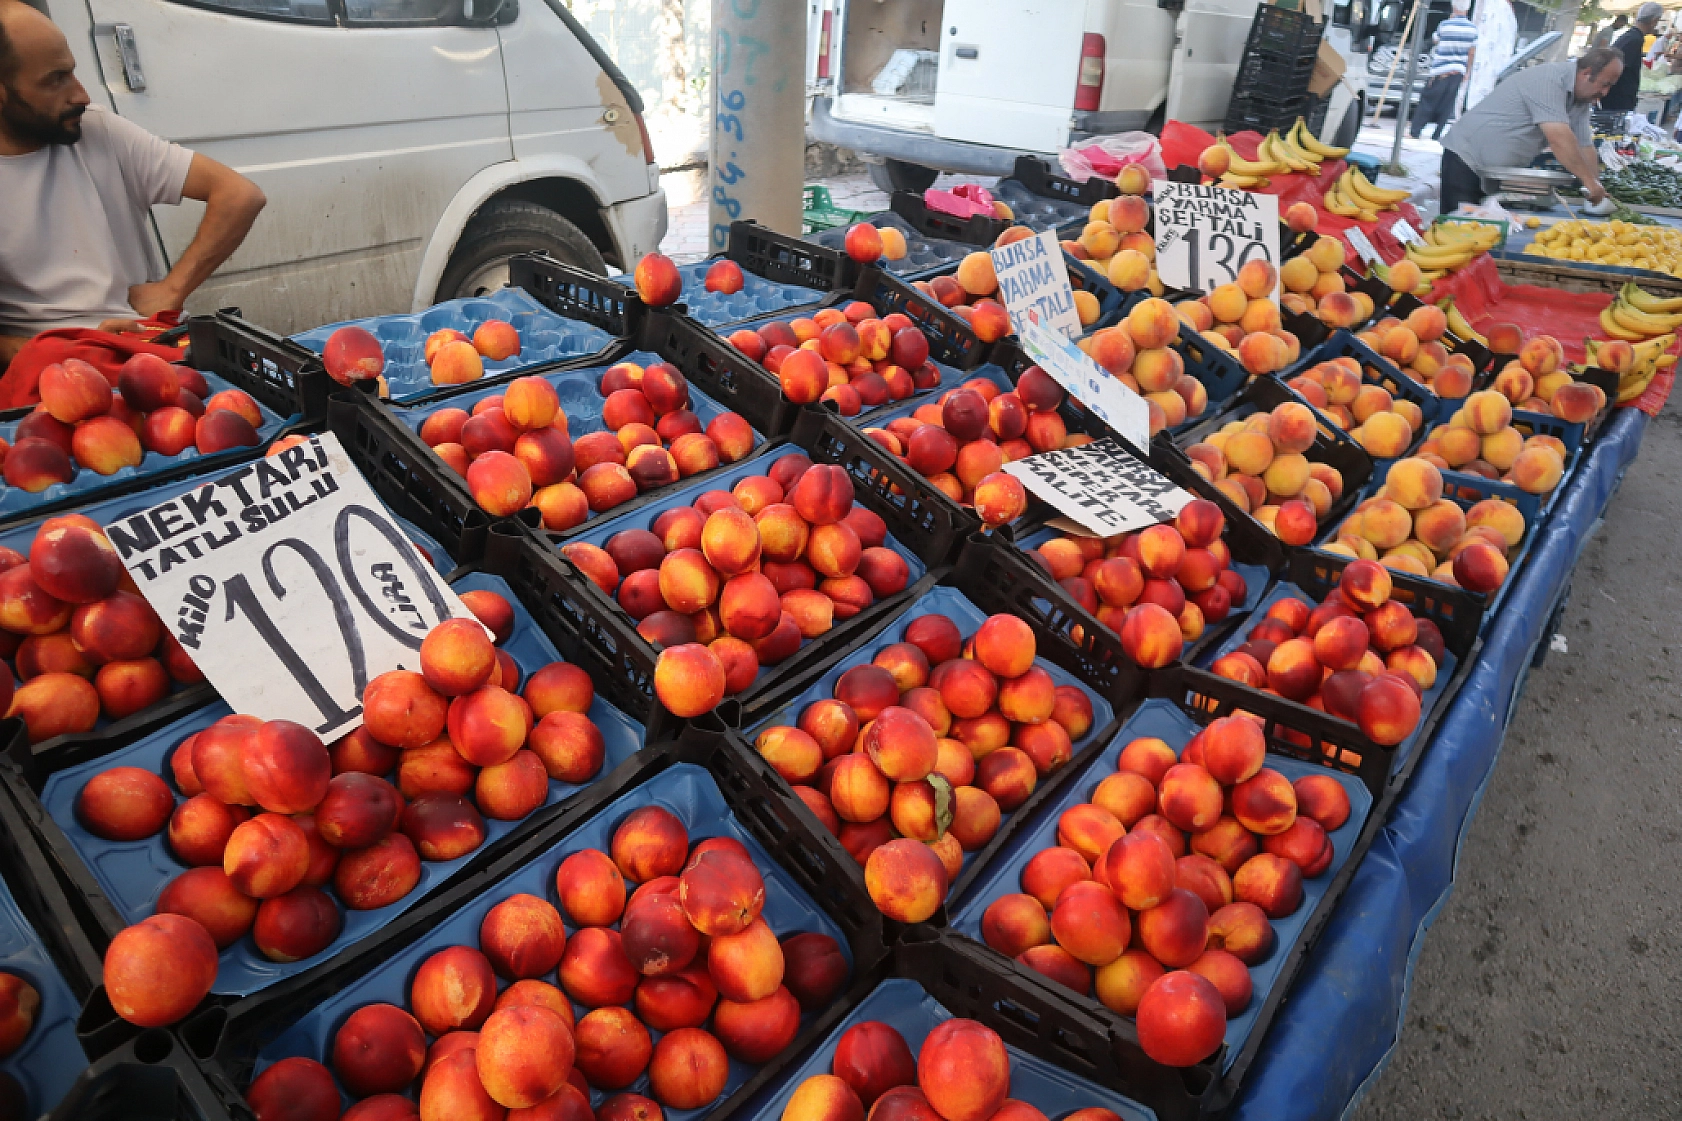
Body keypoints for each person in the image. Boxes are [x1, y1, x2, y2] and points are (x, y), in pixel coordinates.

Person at [0, 2, 265, 371]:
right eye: (55, 80)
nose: (82, 96)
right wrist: (72, 351)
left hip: (155, 353)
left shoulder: (99, 132)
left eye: (72, 73)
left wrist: (172, 289)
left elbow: (240, 194)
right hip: (53, 374)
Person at [1437, 47, 1623, 216]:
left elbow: (1584, 145)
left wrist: (1596, 187)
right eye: (1605, 84)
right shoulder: (1549, 80)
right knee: (1459, 232)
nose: (1605, 93)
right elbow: (1559, 138)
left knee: (1482, 233)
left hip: (1494, 173)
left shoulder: (1581, 100)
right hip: (1466, 159)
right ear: (1586, 73)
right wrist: (1588, 182)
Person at [1412, 2, 1479, 140]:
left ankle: (1415, 131)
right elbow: (1472, 52)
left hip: (1441, 70)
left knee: (1428, 100)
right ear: (1467, 9)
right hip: (1458, 71)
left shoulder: (1445, 25)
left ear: (1454, 7)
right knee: (1447, 104)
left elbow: (1435, 39)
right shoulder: (1473, 29)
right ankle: (1437, 134)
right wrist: (1467, 71)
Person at [1600, 2, 1664, 117]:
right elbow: (1616, 68)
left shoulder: (1631, 36)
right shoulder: (1634, 39)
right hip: (1617, 101)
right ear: (1654, 20)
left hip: (1617, 99)